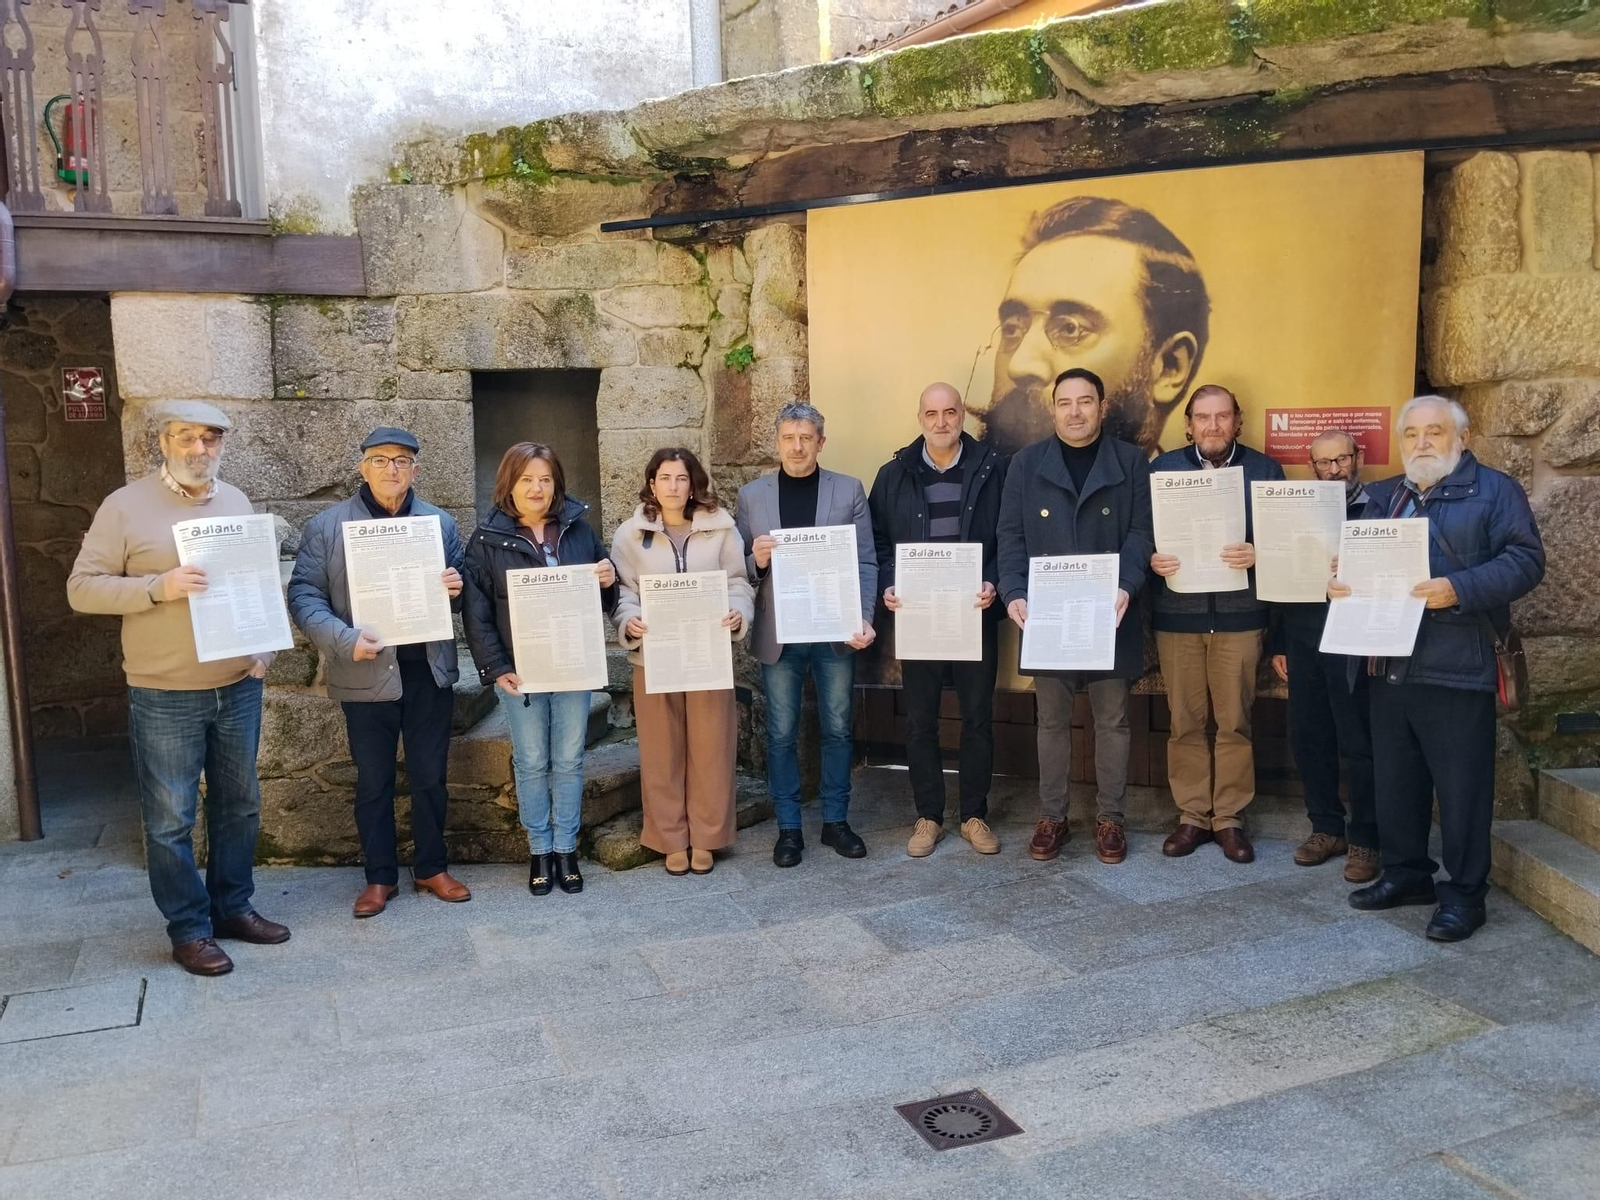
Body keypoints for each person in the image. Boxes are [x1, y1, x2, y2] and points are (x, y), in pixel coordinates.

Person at [66, 401, 289, 976]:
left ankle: (233, 907)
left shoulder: (235, 501)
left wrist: (262, 645)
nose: (199, 449)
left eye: (210, 439)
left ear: (222, 447)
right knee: (170, 819)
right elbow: (82, 589)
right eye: (186, 438)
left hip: (237, 685)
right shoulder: (124, 507)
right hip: (164, 691)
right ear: (162, 443)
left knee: (240, 806)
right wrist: (157, 587)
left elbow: (254, 585)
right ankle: (189, 929)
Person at [1335, 396, 1543, 942]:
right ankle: (1407, 876)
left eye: (1434, 432)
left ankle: (1465, 894)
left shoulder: (1495, 491)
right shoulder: (1383, 496)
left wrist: (1458, 588)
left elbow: (1526, 560)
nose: (1422, 443)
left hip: (1457, 665)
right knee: (1395, 782)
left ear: (1462, 437)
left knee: (1462, 790)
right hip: (1387, 662)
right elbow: (1354, 563)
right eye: (1411, 434)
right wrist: (1339, 581)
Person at [287, 426, 469, 918]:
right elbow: (304, 595)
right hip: (365, 672)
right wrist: (345, 640)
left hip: (427, 672)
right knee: (373, 781)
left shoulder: (439, 524)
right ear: (362, 466)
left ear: (416, 469)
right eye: (382, 459)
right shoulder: (328, 526)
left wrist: (458, 585)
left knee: (431, 777)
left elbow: (463, 588)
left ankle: (432, 866)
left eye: (403, 461)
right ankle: (379, 876)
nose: (393, 469)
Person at [997, 369, 1154, 864]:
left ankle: (1111, 820)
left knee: (1113, 721)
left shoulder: (1131, 462)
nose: (1075, 411)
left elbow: (1141, 533)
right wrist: (1014, 592)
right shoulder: (1025, 465)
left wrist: (1127, 584)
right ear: (1053, 408)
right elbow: (1011, 537)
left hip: (1110, 612)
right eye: (1065, 402)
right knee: (1051, 721)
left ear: (1102, 407)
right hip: (1048, 616)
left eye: (1085, 401)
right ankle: (1053, 817)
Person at [463, 443, 616, 897]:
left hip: (572, 664)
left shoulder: (579, 531)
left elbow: (601, 603)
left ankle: (566, 848)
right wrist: (496, 667)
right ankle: (540, 850)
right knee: (531, 761)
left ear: (557, 484)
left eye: (545, 479)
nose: (537, 488)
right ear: (510, 483)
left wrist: (608, 584)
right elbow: (477, 612)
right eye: (527, 479)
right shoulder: (487, 540)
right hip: (521, 671)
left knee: (569, 758)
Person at [868, 382, 1008, 858]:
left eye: (950, 412)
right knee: (920, 721)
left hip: (975, 611)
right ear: (920, 417)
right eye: (932, 413)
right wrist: (889, 581)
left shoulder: (994, 469)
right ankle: (928, 815)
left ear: (962, 415)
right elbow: (879, 542)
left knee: (977, 719)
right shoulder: (893, 475)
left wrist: (994, 581)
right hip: (920, 616)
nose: (942, 421)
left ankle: (974, 815)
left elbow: (1010, 537)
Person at [737, 403, 878, 868]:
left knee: (838, 728)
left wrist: (863, 617)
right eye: (788, 438)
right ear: (777, 442)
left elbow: (864, 561)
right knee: (781, 733)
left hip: (836, 630)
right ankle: (789, 828)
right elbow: (739, 574)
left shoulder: (848, 489)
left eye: (806, 437)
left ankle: (836, 821)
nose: (797, 446)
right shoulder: (752, 496)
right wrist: (756, 561)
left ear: (821, 441)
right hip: (781, 634)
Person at [1149, 384, 1284, 863]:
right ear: (1188, 423)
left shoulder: (1265, 470)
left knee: (1235, 723)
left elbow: (1291, 545)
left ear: (1237, 420)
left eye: (1221, 416)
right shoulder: (1163, 470)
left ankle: (1228, 818)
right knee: (1184, 722)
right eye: (1202, 417)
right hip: (1178, 619)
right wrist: (1152, 560)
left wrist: (1260, 553)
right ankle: (1191, 815)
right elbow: (1140, 536)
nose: (1212, 426)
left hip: (1240, 619)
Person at [971, 195, 1210, 457]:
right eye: (1012, 329)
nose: (1019, 365)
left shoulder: (1172, 496)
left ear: (1168, 367)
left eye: (1070, 329)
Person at [612, 447, 754, 876]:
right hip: (654, 656)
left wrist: (737, 613)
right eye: (665, 478)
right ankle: (670, 837)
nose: (674, 487)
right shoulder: (630, 535)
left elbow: (739, 583)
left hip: (708, 653)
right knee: (661, 749)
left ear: (693, 485)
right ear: (652, 483)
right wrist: (628, 620)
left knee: (712, 746)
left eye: (682, 479)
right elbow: (623, 592)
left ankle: (708, 836)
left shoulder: (721, 529)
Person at [1269, 429, 1379, 883]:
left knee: (1359, 740)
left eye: (1342, 460)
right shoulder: (1297, 510)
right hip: (1303, 636)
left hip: (1356, 639)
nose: (1334, 470)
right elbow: (1278, 575)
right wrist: (1278, 642)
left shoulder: (1380, 507)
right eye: (1323, 463)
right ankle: (1326, 828)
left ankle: (1368, 839)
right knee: (1308, 734)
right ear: (1310, 466)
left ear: (1358, 457)